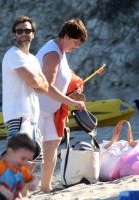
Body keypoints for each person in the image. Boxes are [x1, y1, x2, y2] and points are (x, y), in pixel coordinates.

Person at [35, 18, 87, 192]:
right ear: (66, 36)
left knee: (52, 145)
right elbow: (46, 86)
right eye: (75, 42)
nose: (76, 46)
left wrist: (76, 83)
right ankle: (15, 190)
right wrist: (71, 101)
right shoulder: (52, 54)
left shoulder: (61, 51)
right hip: (36, 110)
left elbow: (66, 75)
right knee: (32, 152)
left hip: (50, 111)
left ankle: (45, 187)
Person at [2, 15, 49, 162]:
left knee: (33, 161)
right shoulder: (13, 54)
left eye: (27, 30)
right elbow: (35, 81)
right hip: (18, 115)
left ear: (33, 34)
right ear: (14, 34)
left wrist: (37, 82)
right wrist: (37, 81)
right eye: (19, 31)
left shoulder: (32, 59)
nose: (23, 34)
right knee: (17, 160)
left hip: (33, 116)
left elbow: (45, 87)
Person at [0, 134, 37, 199]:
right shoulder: (1, 166)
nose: (26, 162)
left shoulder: (21, 170)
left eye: (28, 159)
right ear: (10, 152)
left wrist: (32, 183)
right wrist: (1, 189)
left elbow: (33, 177)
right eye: (23, 158)